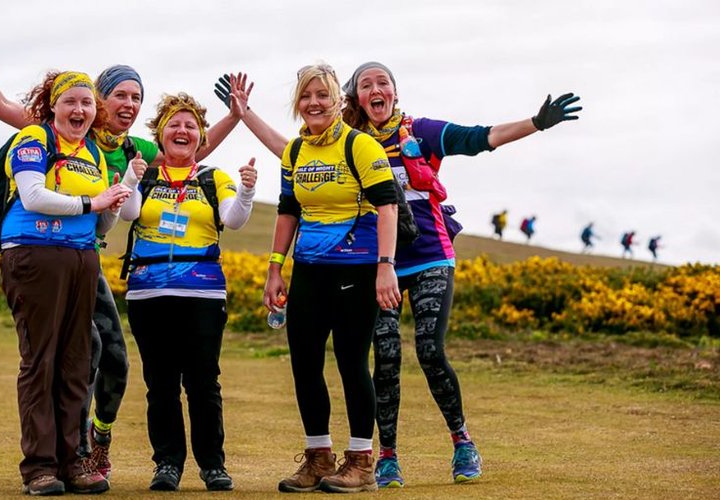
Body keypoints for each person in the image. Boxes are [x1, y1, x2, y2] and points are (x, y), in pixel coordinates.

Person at [223, 61, 581, 488]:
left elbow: (480, 138)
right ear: (354, 97)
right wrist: (244, 114)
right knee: (386, 358)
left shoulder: (417, 133)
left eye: (384, 83)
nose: (376, 90)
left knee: (429, 350)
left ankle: (460, 441)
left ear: (393, 92)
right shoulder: (337, 140)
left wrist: (536, 123)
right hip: (370, 263)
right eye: (366, 84)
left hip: (422, 257)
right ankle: (385, 457)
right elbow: (291, 153)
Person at [0, 18, 243, 480]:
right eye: (120, 95)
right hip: (43, 252)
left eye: (136, 97)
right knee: (78, 352)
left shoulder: (134, 148)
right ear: (99, 99)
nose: (129, 104)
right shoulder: (63, 131)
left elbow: (188, 151)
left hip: (85, 257)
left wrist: (234, 116)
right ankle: (68, 454)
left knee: (111, 357)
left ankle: (97, 439)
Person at [225, 64, 401, 493]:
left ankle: (361, 461)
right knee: (304, 363)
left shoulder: (360, 145)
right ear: (297, 103)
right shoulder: (296, 152)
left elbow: (388, 207)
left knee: (351, 362)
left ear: (338, 100)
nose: (314, 103)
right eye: (306, 96)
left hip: (358, 269)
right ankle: (319, 458)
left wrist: (386, 265)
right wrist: (275, 268)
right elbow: (288, 210)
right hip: (308, 270)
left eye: (322, 95)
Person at [0, 70, 131, 495]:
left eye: (87, 103)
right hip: (34, 254)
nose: (79, 109)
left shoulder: (92, 151)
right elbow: (33, 195)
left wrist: (115, 199)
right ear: (53, 105)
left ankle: (72, 462)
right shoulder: (34, 138)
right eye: (70, 101)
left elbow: (101, 222)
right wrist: (94, 200)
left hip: (82, 257)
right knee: (41, 360)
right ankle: (39, 467)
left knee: (76, 361)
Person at [118, 93, 256, 492]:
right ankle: (167, 464)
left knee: (203, 382)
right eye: (174, 125)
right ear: (160, 134)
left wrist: (246, 191)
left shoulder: (214, 178)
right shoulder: (145, 175)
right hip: (148, 294)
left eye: (190, 125)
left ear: (201, 136)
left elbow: (234, 219)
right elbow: (127, 213)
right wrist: (130, 178)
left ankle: (213, 465)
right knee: (160, 384)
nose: (182, 131)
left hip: (203, 294)